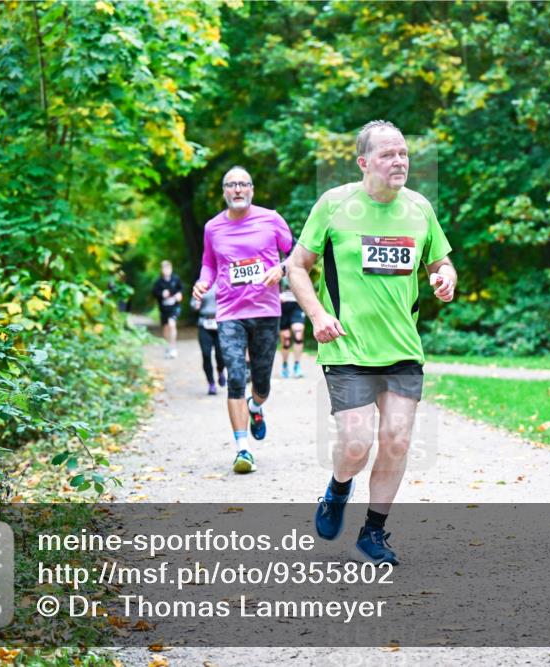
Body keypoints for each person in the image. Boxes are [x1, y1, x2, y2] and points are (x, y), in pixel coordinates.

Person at [287, 120, 456, 565]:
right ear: (364, 163)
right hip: (347, 346)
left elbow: (441, 263)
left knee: (397, 439)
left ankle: (373, 533)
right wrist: (319, 315)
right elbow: (297, 266)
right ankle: (338, 488)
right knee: (357, 443)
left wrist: (444, 280)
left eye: (403, 153)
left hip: (402, 347)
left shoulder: (419, 208)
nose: (399, 161)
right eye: (387, 154)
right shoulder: (335, 205)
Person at [192, 166, 294, 474]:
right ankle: (243, 449)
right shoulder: (213, 227)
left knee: (261, 383)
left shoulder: (271, 219)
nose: (237, 189)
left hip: (265, 311)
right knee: (235, 376)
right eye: (231, 185)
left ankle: (255, 406)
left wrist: (283, 269)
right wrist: (202, 282)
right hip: (230, 313)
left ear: (252, 189)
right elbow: (209, 264)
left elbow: (298, 254)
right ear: (224, 192)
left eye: (243, 184)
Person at [191, 284, 226, 395]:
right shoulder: (201, 283)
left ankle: (220, 370)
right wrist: (195, 304)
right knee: (206, 354)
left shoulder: (223, 280)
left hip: (220, 323)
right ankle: (211, 383)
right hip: (204, 323)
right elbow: (193, 303)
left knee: (220, 355)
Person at [151, 260, 183, 359]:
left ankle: (173, 347)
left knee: (172, 324)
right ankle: (167, 347)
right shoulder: (158, 282)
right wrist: (161, 294)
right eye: (164, 268)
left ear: (171, 268)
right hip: (164, 309)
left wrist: (179, 295)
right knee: (165, 328)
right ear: (161, 270)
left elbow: (181, 290)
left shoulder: (176, 279)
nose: (166, 270)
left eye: (168, 268)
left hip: (174, 307)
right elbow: (154, 293)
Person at [279, 277, 306, 378]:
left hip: (297, 304)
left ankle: (297, 365)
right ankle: (285, 365)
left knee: (298, 335)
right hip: (282, 304)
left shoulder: (299, 262)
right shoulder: (276, 263)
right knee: (286, 340)